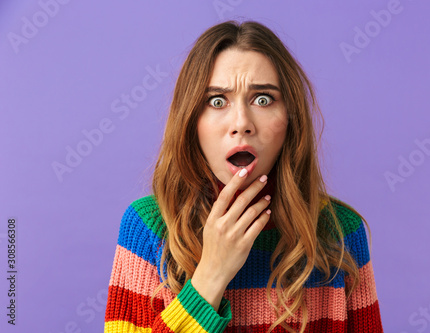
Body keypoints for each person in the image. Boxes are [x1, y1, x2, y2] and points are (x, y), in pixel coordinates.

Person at [104, 20, 383, 333]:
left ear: (291, 119)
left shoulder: (341, 233)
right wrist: (211, 275)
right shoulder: (148, 228)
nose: (241, 123)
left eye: (262, 99)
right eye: (217, 101)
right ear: (191, 120)